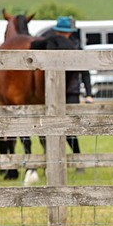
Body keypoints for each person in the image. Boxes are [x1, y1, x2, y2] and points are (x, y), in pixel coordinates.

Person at [41, 16, 93, 159]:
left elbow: (85, 73)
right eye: (60, 33)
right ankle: (54, 157)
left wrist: (89, 93)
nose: (62, 36)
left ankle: (76, 156)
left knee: (70, 127)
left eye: (64, 33)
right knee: (51, 125)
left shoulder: (76, 47)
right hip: (53, 90)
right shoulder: (50, 45)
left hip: (71, 90)